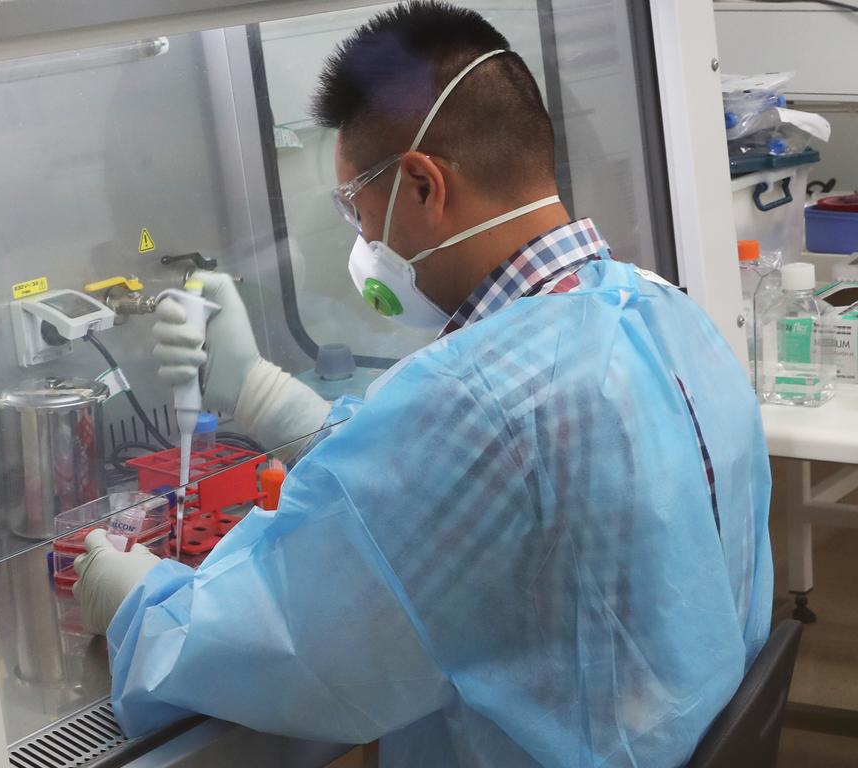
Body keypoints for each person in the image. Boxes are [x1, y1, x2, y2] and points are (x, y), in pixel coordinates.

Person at [74, 2, 773, 765]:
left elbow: (282, 650)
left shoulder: (476, 402)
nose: (361, 238)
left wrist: (140, 601)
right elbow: (431, 500)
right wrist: (260, 393)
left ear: (421, 186)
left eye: (354, 206)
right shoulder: (665, 311)